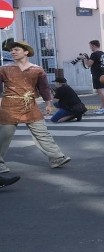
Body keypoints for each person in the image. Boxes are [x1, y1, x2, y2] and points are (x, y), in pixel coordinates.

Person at [0, 40, 72, 177]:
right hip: (10, 105)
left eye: (16, 50)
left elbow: (44, 88)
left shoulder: (37, 69)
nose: (13, 52)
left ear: (26, 52)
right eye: (12, 50)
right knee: (4, 135)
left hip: (30, 104)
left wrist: (48, 104)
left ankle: (56, 157)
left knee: (41, 132)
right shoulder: (4, 69)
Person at [83, 39, 104, 113]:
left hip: (97, 74)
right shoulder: (103, 53)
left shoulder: (94, 54)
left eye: (90, 46)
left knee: (100, 91)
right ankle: (103, 107)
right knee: (103, 91)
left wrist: (85, 59)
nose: (90, 48)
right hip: (103, 72)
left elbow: (88, 64)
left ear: (94, 45)